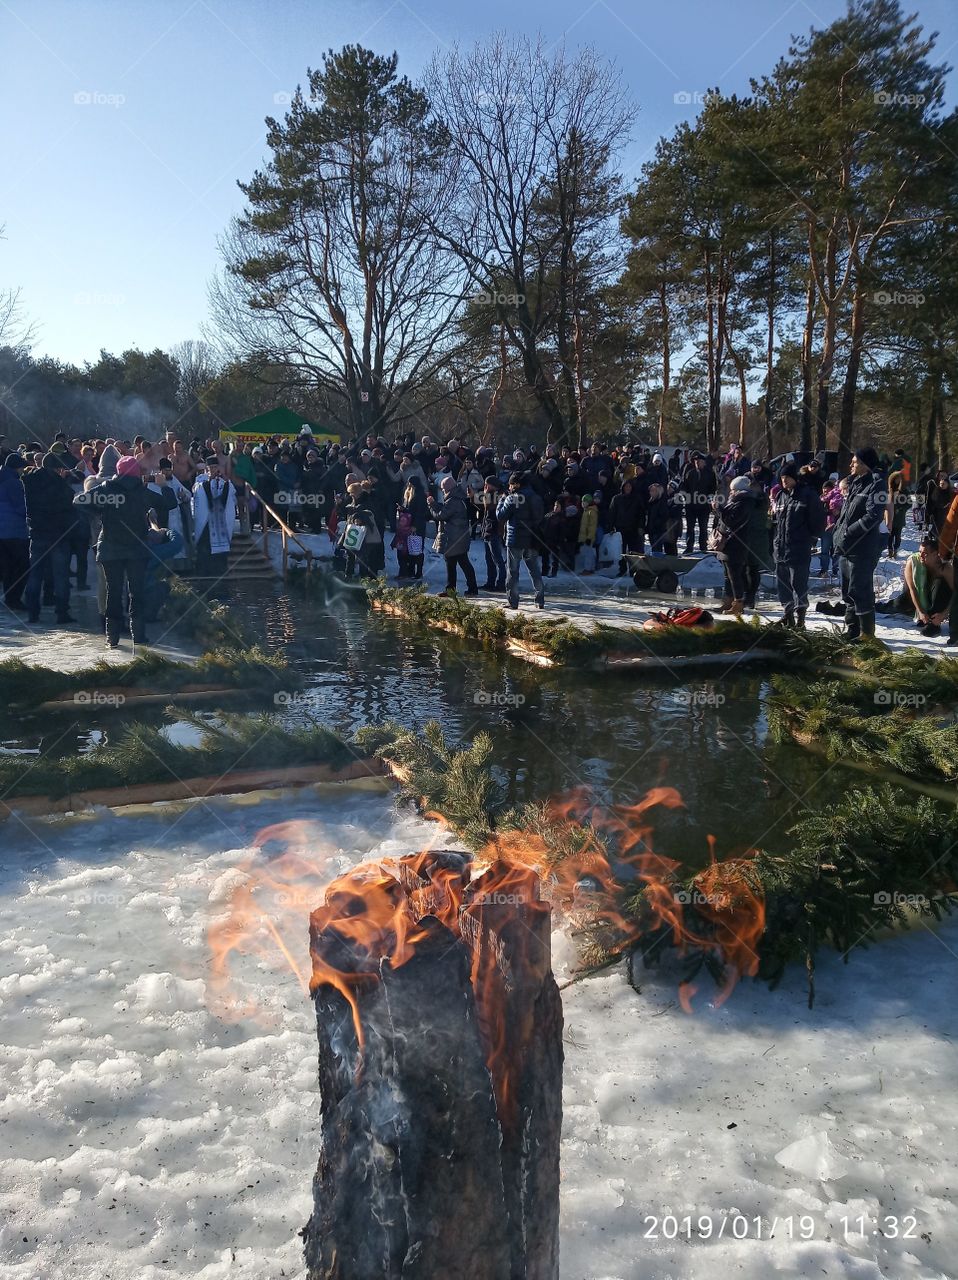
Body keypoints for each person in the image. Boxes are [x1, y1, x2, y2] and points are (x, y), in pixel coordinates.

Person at [74, 454, 157, 647]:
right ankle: (139, 635)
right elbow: (167, 503)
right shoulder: (142, 492)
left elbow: (79, 501)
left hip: (111, 547)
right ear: (137, 472)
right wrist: (163, 486)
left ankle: (112, 638)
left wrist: (99, 512)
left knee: (114, 591)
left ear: (117, 471)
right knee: (136, 592)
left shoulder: (107, 490)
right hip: (136, 548)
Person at [832, 447, 887, 641]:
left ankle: (867, 634)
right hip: (846, 547)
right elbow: (847, 512)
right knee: (848, 591)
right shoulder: (855, 483)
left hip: (862, 548)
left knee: (860, 590)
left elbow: (874, 515)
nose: (851, 465)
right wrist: (838, 530)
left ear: (865, 465)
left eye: (854, 462)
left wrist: (849, 531)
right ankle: (852, 629)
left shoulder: (877, 484)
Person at [22, 452, 79, 625]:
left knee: (35, 574)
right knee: (61, 575)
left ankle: (32, 612)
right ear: (58, 468)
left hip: (38, 533)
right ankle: (62, 612)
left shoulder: (28, 481)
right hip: (58, 535)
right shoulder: (61, 485)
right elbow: (70, 506)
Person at [773, 463, 825, 628]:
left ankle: (800, 619)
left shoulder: (807, 495)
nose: (784, 481)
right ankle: (788, 616)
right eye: (782, 478)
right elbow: (777, 521)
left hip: (799, 548)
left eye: (787, 478)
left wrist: (810, 540)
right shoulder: (780, 496)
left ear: (794, 478)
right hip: (780, 549)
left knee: (799, 584)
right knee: (783, 585)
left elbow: (818, 520)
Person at [496, 472, 545, 610]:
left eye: (511, 484)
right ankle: (539, 600)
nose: (510, 487)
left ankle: (513, 602)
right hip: (532, 539)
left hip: (515, 540)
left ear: (517, 484)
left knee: (513, 572)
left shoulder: (513, 498)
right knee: (535, 571)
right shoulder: (536, 497)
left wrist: (501, 500)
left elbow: (501, 516)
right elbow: (539, 517)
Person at [192, 455, 237, 597]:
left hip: (219, 522)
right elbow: (197, 492)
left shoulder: (224, 482)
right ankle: (204, 577)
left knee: (221, 552)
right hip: (207, 521)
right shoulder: (200, 481)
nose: (213, 469)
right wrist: (209, 483)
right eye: (210, 467)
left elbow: (230, 494)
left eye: (215, 467)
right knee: (205, 549)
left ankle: (221, 576)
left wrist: (225, 485)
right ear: (206, 468)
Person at [900, 533, 957, 642]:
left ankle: (933, 623)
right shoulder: (913, 561)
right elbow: (912, 589)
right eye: (920, 552)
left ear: (935, 554)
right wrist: (920, 611)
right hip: (913, 597)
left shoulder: (944, 567)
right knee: (896, 605)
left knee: (940, 584)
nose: (920, 556)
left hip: (937, 598)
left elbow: (956, 592)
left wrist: (944, 614)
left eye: (925, 554)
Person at [430, 475, 478, 596]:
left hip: (454, 537)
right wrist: (435, 505)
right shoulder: (457, 498)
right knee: (462, 562)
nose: (443, 491)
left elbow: (441, 515)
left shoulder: (453, 500)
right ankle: (470, 588)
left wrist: (431, 505)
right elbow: (444, 511)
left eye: (443, 489)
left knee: (453, 563)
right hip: (458, 537)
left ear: (447, 489)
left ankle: (451, 589)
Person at [714, 476, 754, 617]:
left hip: (736, 544)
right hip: (729, 544)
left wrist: (718, 510)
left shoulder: (744, 503)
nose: (730, 493)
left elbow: (731, 520)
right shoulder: (737, 501)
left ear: (738, 490)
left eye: (733, 490)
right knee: (728, 575)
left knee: (734, 575)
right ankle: (729, 600)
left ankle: (738, 603)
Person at [0, 452, 30, 612]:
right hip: (15, 531)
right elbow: (20, 508)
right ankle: (13, 598)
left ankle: (9, 596)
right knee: (22, 566)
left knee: (8, 567)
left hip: (2, 532)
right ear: (16, 468)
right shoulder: (13, 483)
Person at [679, 452, 716, 553]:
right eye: (695, 461)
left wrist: (710, 497)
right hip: (690, 505)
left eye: (699, 461)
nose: (697, 463)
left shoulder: (710, 474)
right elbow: (683, 485)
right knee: (690, 527)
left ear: (704, 462)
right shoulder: (690, 473)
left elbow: (713, 488)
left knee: (703, 527)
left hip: (703, 505)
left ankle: (703, 546)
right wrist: (685, 495)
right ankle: (689, 547)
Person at [476, 477, 506, 592]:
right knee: (489, 559)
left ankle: (501, 583)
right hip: (488, 529)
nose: (485, 487)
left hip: (494, 530)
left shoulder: (499, 496)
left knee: (497, 559)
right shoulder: (491, 494)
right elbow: (484, 509)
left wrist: (484, 494)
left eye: (486, 485)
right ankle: (490, 582)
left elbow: (488, 506)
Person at [577, 494, 599, 573]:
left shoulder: (591, 512)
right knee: (588, 552)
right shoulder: (585, 511)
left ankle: (588, 569)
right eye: (582, 501)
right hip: (584, 536)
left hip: (588, 537)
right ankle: (591, 568)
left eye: (585, 502)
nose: (582, 503)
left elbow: (592, 526)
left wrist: (589, 537)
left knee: (588, 554)